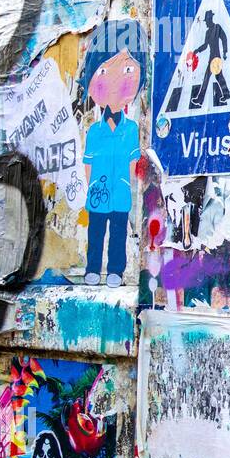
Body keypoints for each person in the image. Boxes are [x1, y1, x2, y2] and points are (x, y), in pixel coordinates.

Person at [81, 19, 145, 287]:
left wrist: (125, 183)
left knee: (117, 232)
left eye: (128, 69)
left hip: (119, 191)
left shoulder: (130, 129)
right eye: (105, 71)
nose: (118, 81)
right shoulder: (94, 131)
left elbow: (134, 161)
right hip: (98, 191)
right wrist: (92, 186)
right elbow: (87, 162)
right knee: (95, 232)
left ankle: (116, 271)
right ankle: (93, 269)